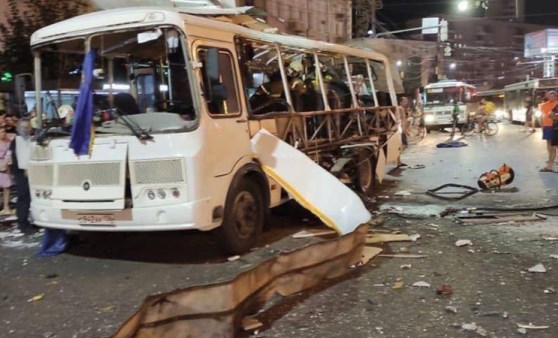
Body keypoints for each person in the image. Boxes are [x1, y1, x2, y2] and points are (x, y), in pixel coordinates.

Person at [10, 118, 36, 234]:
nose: (30, 129)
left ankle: (25, 221)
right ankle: (22, 223)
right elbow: (20, 157)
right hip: (22, 172)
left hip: (27, 171)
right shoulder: (18, 140)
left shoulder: (26, 138)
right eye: (28, 127)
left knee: (28, 198)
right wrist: (26, 168)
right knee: (24, 198)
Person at [538, 91, 558, 172]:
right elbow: (542, 116)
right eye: (550, 96)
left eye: (554, 96)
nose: (552, 97)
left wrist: (553, 117)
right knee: (549, 145)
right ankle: (550, 160)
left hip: (554, 127)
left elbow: (551, 115)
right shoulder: (544, 105)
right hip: (547, 127)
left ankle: (550, 164)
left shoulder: (556, 104)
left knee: (553, 146)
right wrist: (542, 126)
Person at [0, 126, 14, 215]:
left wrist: (6, 162)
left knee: (6, 187)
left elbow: (9, 153)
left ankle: (6, 206)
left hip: (5, 165)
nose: (3, 134)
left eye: (3, 131)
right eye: (1, 132)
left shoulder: (8, 142)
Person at [397, 96, 410, 167]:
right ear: (400, 102)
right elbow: (403, 120)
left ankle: (398, 161)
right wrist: (405, 130)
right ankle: (397, 159)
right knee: (404, 145)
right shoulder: (400, 108)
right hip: (400, 128)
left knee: (401, 145)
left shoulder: (399, 108)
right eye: (404, 101)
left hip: (400, 128)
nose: (406, 103)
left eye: (406, 101)